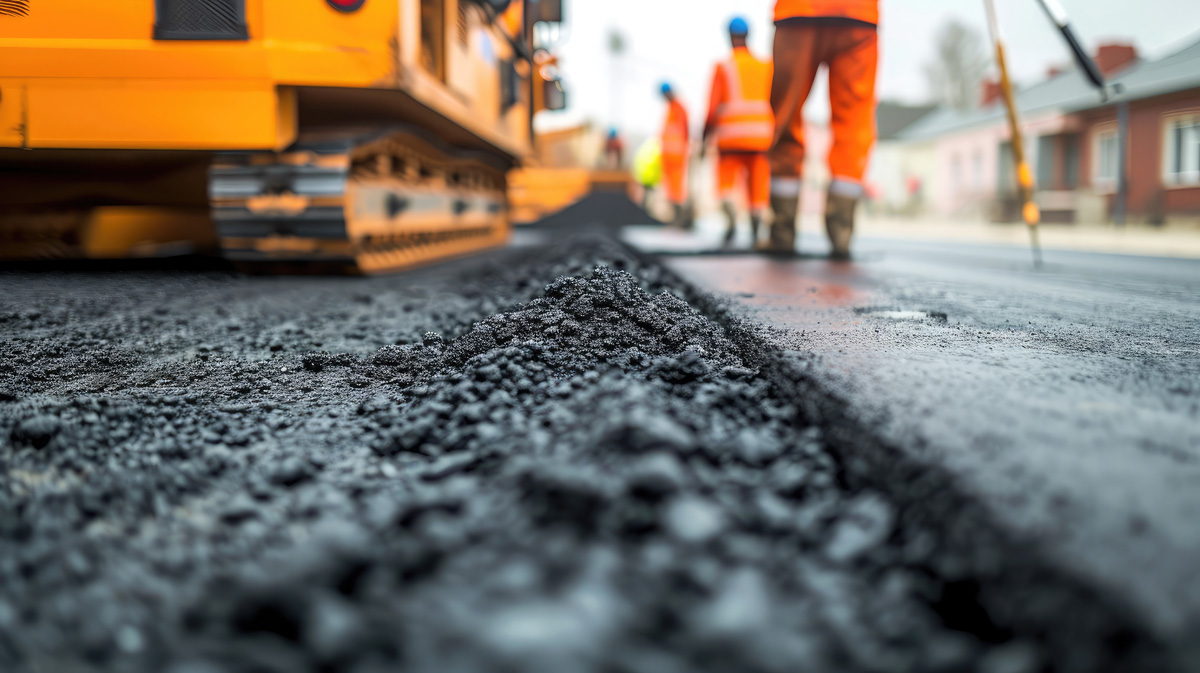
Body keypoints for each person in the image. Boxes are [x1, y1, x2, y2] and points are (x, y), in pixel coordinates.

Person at [768, 0, 879, 258]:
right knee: (854, 122)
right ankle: (842, 233)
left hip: (800, 10)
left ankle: (782, 232)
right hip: (858, 13)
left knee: (786, 114)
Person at [701, 17, 774, 249]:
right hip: (761, 139)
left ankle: (731, 217)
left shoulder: (723, 68)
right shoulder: (766, 66)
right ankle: (756, 220)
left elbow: (712, 109)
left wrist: (704, 140)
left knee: (725, 184)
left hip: (730, 139)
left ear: (729, 37)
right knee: (758, 185)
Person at [658, 82, 690, 228]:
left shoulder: (679, 108)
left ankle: (681, 219)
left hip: (677, 156)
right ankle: (676, 219)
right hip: (669, 157)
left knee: (677, 189)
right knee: (671, 189)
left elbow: (685, 131)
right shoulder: (670, 109)